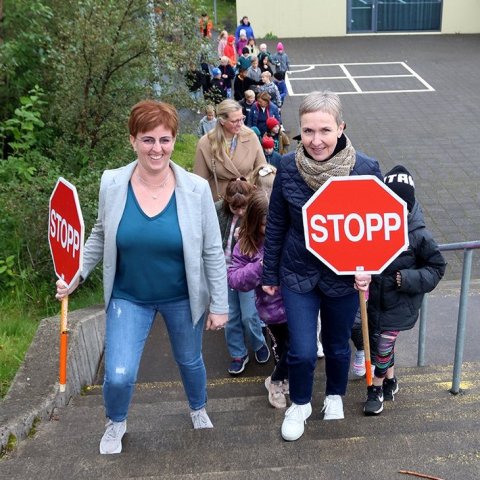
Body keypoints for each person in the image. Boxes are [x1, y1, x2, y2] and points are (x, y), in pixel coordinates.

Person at [55, 100, 228, 454]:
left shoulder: (196, 190)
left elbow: (212, 250)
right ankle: (116, 421)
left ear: (174, 140)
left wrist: (221, 305)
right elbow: (101, 235)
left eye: (164, 140)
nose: (157, 149)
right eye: (148, 140)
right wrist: (76, 273)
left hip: (182, 295)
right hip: (128, 295)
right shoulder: (112, 183)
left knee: (189, 359)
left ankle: (198, 407)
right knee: (118, 373)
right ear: (132, 140)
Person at [261, 90, 382, 442]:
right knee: (299, 349)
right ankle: (300, 403)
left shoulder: (364, 168)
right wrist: (269, 274)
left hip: (343, 276)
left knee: (337, 344)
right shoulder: (287, 167)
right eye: (308, 131)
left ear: (340, 127)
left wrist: (369, 267)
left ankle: (333, 396)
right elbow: (278, 225)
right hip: (298, 272)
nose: (316, 140)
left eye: (325, 131)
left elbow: (377, 226)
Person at [364, 165, 446, 416]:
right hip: (375, 300)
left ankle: (375, 389)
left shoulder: (419, 235)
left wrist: (406, 278)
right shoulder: (375, 222)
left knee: (382, 346)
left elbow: (437, 267)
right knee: (383, 343)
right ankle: (390, 379)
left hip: (400, 304)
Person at [228, 190, 289, 408]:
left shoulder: (289, 234)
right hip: (273, 312)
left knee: (302, 349)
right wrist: (260, 266)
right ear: (254, 223)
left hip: (297, 304)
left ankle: (280, 378)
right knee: (285, 351)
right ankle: (276, 382)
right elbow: (235, 279)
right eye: (264, 225)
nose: (270, 230)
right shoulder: (245, 246)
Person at [216, 180, 269, 375]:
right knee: (230, 317)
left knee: (249, 315)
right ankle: (238, 354)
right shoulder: (219, 213)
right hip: (223, 271)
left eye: (243, 207)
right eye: (234, 207)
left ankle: (259, 343)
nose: (239, 211)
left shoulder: (254, 218)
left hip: (245, 272)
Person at [194, 99, 267, 201]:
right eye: (234, 121)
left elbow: (262, 170)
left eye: (242, 119)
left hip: (247, 199)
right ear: (222, 121)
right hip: (220, 201)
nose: (240, 124)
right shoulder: (206, 142)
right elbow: (199, 181)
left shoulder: (251, 136)